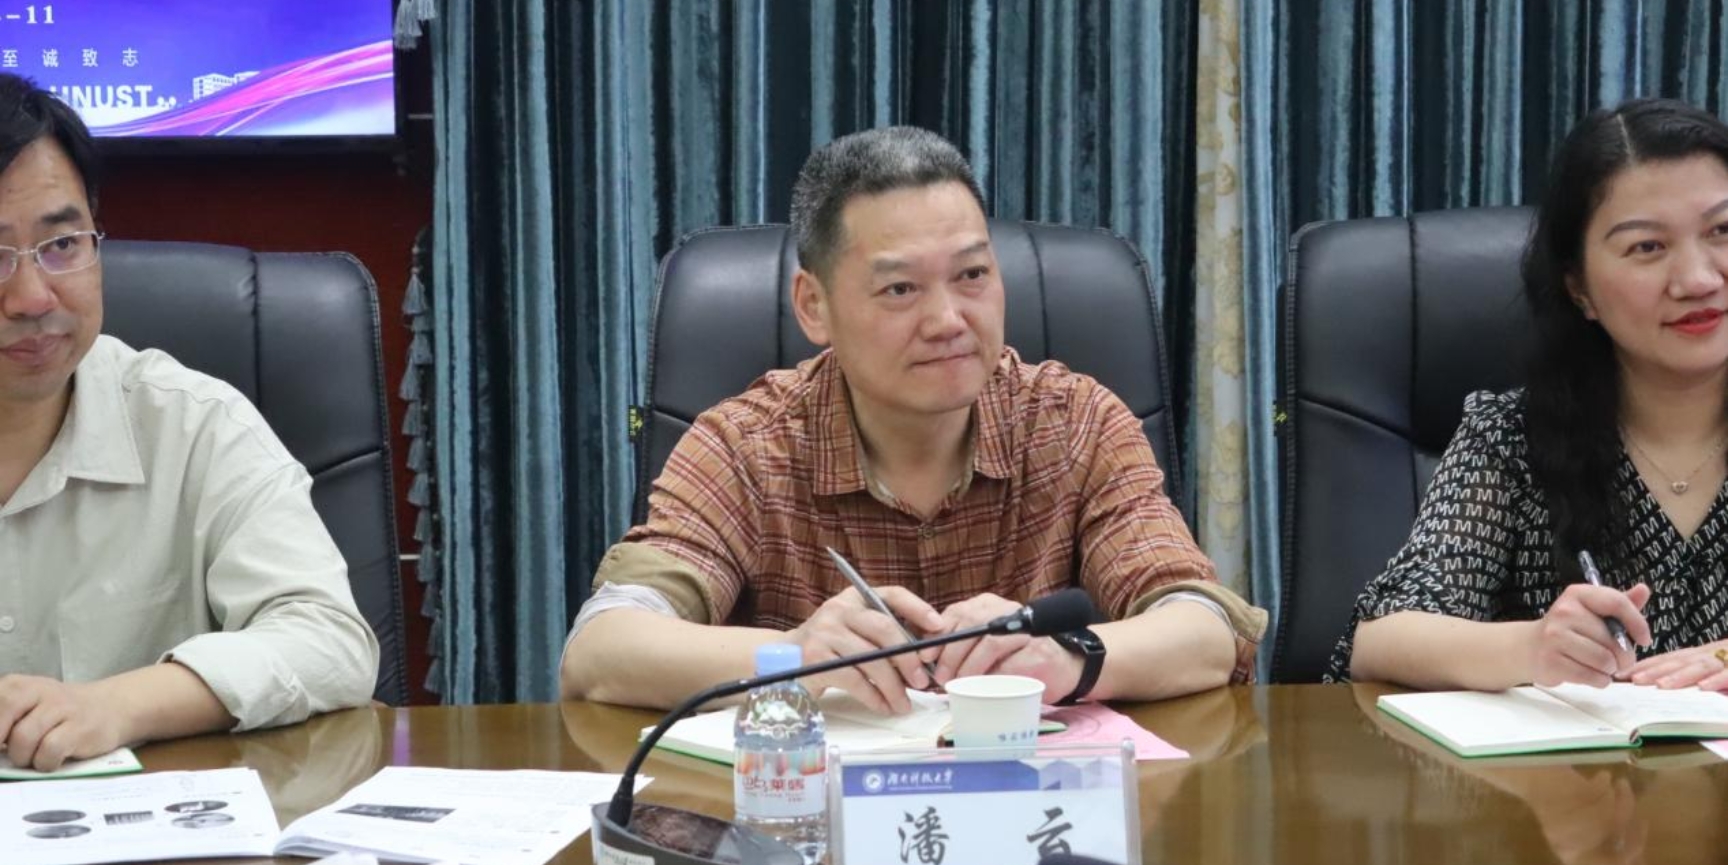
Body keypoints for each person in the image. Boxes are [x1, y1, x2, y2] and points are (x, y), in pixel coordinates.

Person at [561, 126, 1264, 714]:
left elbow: (1207, 627)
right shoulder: (745, 446)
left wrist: (1070, 656)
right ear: (813, 306)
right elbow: (600, 650)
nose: (949, 320)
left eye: (972, 275)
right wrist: (794, 658)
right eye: (900, 288)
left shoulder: (1075, 422)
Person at [0, 73, 378, 770]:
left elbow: (329, 640)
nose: (31, 296)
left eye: (63, 245)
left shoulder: (194, 424)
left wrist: (118, 704)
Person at [1331, 98, 1728, 691]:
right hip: (1578, 756)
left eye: (1722, 231)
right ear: (1579, 288)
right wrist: (1534, 645)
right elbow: (1379, 641)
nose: (1698, 279)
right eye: (1647, 247)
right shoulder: (1513, 438)